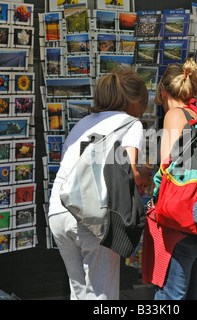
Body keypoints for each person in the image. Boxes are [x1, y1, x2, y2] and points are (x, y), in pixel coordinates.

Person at [48, 68, 151, 300]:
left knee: (79, 292)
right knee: (101, 295)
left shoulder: (82, 123)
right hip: (94, 216)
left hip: (59, 211)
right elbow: (129, 173)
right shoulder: (130, 124)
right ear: (134, 101)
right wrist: (145, 175)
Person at [142, 59, 197, 300]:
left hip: (179, 225)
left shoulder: (174, 115)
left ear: (163, 91)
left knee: (170, 295)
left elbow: (168, 167)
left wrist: (149, 175)